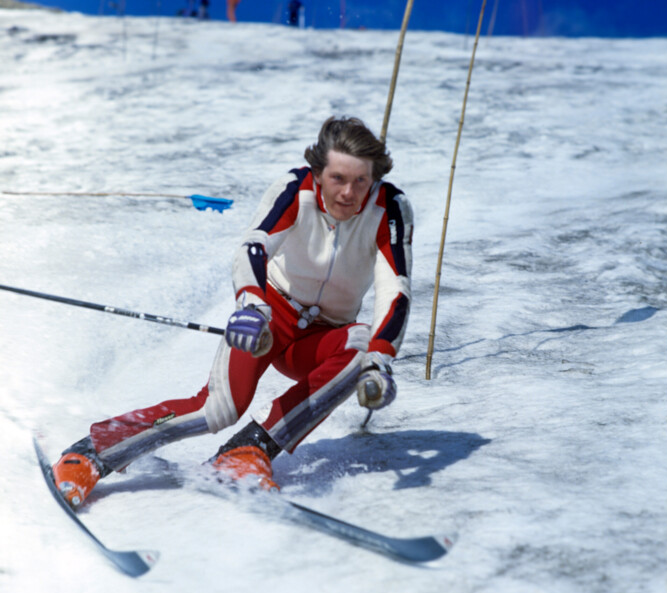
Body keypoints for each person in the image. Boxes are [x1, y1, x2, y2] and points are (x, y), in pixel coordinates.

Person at [50, 116, 414, 507]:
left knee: (361, 347)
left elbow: (395, 288)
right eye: (338, 178)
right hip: (269, 318)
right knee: (218, 409)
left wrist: (380, 359)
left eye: (361, 181)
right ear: (318, 172)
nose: (349, 193)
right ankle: (90, 452)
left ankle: (247, 452)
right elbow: (253, 247)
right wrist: (252, 305)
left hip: (322, 337)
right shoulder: (295, 189)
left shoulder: (390, 207)